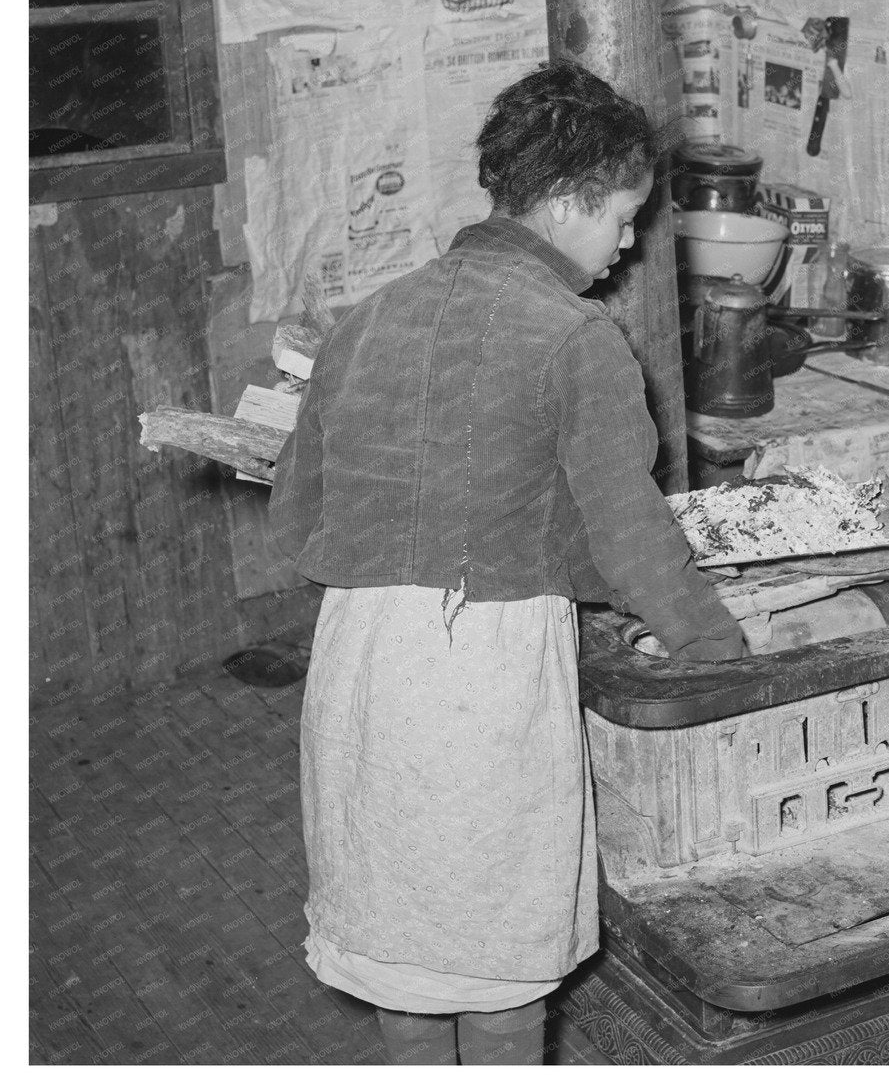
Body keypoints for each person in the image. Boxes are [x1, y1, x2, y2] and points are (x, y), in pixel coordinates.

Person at [269, 62, 747, 1066]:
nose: (628, 243)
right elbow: (624, 528)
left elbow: (300, 510)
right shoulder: (575, 338)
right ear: (568, 204)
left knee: (401, 927)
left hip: (360, 661)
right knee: (493, 936)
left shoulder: (367, 317)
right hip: (478, 670)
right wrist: (712, 641)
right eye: (622, 217)